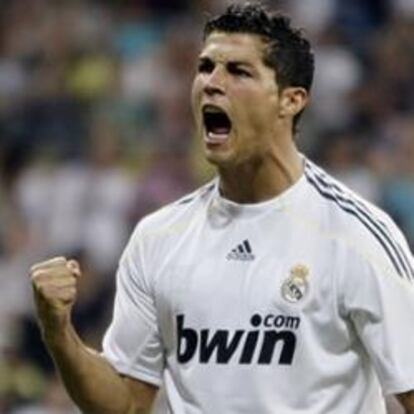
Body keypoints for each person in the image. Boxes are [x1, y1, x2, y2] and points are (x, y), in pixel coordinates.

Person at [30, 4, 414, 413]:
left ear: (291, 100)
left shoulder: (355, 235)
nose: (212, 83)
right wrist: (59, 334)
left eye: (238, 71)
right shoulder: (159, 238)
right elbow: (125, 404)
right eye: (205, 67)